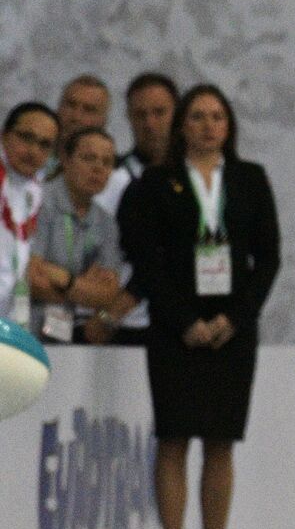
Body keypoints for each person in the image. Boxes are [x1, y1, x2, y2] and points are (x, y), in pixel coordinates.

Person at [121, 84, 280, 529]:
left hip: (232, 330)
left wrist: (234, 319)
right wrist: (183, 319)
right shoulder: (156, 182)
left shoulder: (250, 180)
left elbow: (268, 258)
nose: (209, 125)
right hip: (174, 328)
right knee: (173, 439)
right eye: (198, 116)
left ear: (229, 125)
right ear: (181, 126)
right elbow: (147, 261)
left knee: (219, 441)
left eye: (218, 116)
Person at [26, 128, 135, 344]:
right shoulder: (38, 202)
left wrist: (63, 279)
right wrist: (84, 287)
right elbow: (30, 279)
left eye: (106, 162)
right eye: (89, 158)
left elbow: (107, 295)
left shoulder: (106, 222)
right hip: (20, 327)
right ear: (65, 160)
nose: (98, 168)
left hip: (63, 335)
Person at [96, 72, 180, 345]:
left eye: (159, 113)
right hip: (121, 325)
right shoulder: (108, 178)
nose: (149, 123)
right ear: (129, 118)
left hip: (181, 323)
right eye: (140, 114)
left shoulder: (197, 180)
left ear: (177, 115)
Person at [1, 103, 59, 323]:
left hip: (12, 321)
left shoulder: (39, 193)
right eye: (26, 137)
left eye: (44, 145)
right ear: (4, 136)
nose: (34, 151)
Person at [48, 75, 111, 178]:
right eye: (70, 105)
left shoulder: (111, 178)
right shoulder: (33, 162)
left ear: (103, 121)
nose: (76, 117)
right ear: (58, 108)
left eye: (89, 109)